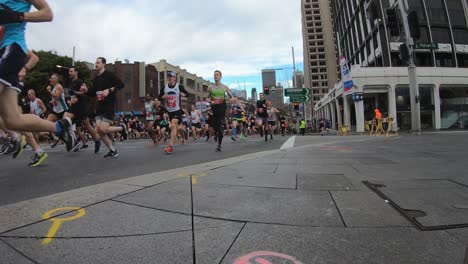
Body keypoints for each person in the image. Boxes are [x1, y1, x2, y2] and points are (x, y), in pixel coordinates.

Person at [0, 1, 73, 152]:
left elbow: (47, 14)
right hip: (4, 51)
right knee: (13, 120)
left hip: (13, 47)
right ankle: (59, 127)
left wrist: (18, 16)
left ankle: (27, 144)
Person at [84, 57, 126, 158]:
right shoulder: (96, 78)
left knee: (103, 128)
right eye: (95, 62)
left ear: (103, 64)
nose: (96, 64)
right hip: (100, 107)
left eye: (98, 62)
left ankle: (121, 128)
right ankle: (113, 150)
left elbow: (121, 85)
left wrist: (109, 90)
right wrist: (85, 90)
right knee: (99, 130)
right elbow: (92, 93)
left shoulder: (109, 75)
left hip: (109, 105)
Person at [158, 71, 189, 154]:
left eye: (171, 77)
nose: (169, 78)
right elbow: (159, 97)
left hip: (177, 110)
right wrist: (162, 97)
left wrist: (183, 95)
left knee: (173, 126)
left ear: (175, 78)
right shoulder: (164, 87)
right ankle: (184, 131)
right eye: (168, 76)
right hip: (169, 111)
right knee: (175, 127)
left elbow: (187, 94)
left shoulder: (179, 86)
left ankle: (170, 147)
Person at [208, 70, 233, 152]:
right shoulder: (210, 87)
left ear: (220, 76)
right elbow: (207, 98)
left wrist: (232, 99)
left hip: (222, 107)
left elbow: (231, 96)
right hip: (214, 108)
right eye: (214, 75)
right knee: (214, 127)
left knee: (221, 126)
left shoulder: (224, 87)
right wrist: (210, 101)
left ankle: (219, 144)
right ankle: (215, 134)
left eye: (217, 74)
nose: (215, 76)